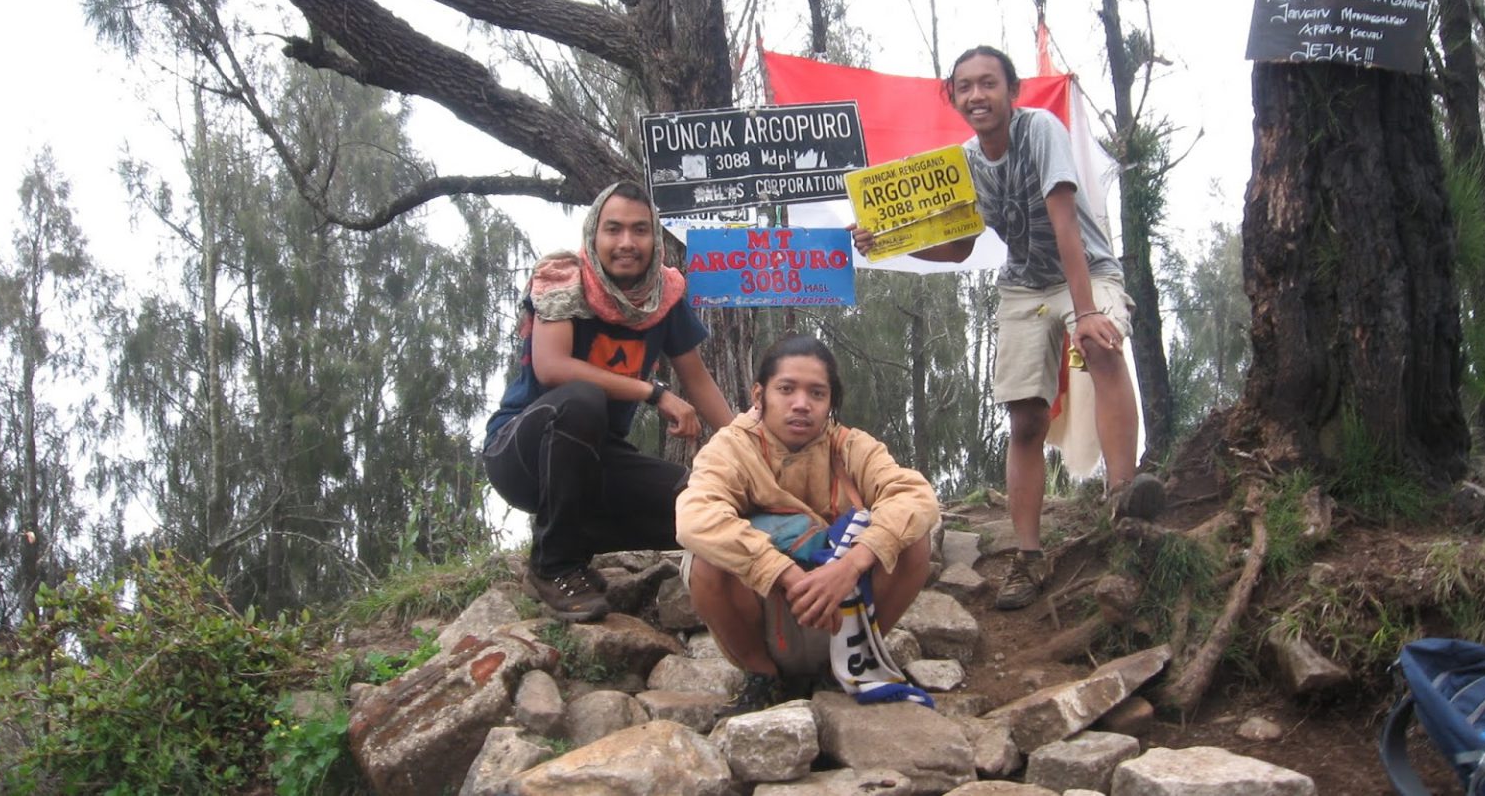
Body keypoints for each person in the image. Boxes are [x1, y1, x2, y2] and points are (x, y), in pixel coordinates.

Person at [850, 45, 1163, 612]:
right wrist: (888, 243)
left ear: (1011, 90)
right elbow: (959, 248)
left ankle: (1124, 499)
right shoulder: (966, 163)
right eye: (965, 86)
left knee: (1102, 348)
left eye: (988, 83)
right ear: (953, 97)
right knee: (1025, 418)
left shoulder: (1039, 128)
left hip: (1084, 270)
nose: (977, 95)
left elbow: (1064, 220)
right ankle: (1028, 554)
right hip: (1023, 283)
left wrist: (1087, 310)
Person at [482, 181, 734, 623]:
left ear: (654, 239)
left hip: (597, 458)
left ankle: (575, 537)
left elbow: (698, 381)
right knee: (581, 400)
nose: (626, 243)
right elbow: (553, 367)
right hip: (521, 450)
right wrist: (653, 392)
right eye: (613, 229)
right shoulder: (562, 279)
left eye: (640, 231)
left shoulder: (665, 296)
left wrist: (749, 450)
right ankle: (553, 565)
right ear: (593, 235)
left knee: (700, 504)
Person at [676, 334, 938, 714]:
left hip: (843, 613)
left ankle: (846, 666)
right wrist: (782, 572)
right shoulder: (731, 448)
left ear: (830, 403)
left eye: (817, 393)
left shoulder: (850, 446)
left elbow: (915, 496)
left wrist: (851, 566)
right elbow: (695, 516)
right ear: (758, 395)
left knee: (914, 541)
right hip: (767, 613)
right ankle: (762, 676)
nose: (801, 404)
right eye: (786, 389)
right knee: (706, 558)